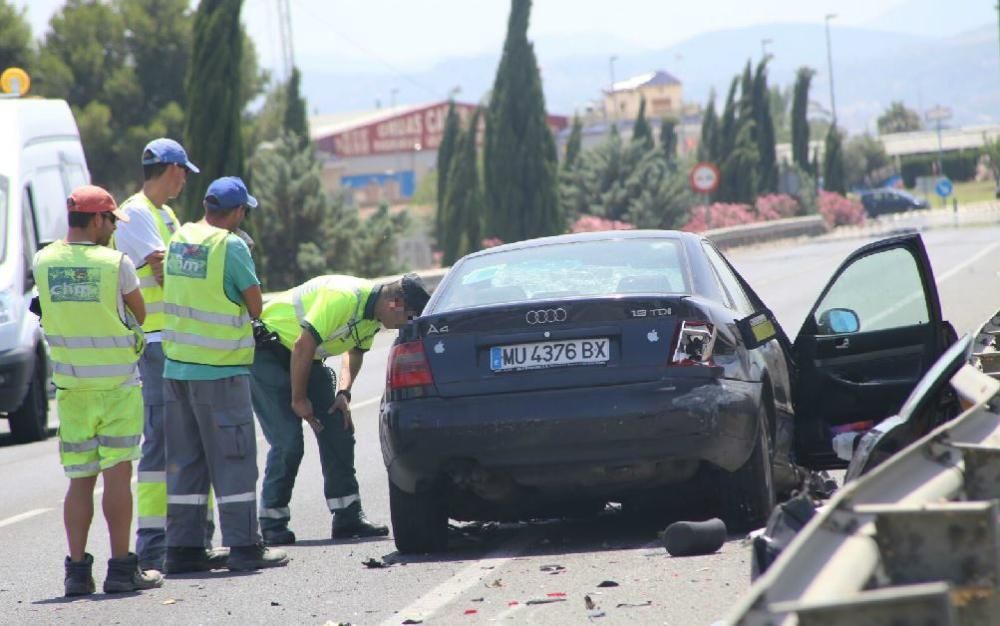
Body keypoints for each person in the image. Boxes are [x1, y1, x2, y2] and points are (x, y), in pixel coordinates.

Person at [33, 185, 163, 596]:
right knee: (118, 476)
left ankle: (75, 572)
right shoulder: (115, 263)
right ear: (95, 220)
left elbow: (42, 307)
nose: (114, 229)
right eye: (111, 221)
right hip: (117, 388)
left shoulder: (43, 261)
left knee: (79, 480)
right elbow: (139, 314)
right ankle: (122, 569)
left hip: (71, 389)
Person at [161, 177, 288, 572]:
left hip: (176, 368)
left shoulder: (181, 237)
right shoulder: (230, 245)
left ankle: (184, 550)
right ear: (235, 212)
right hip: (219, 370)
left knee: (186, 461)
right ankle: (244, 546)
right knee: (234, 459)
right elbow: (255, 306)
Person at [250, 273, 430, 544]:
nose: (405, 325)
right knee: (288, 441)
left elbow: (355, 352)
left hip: (307, 359)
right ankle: (272, 521)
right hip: (268, 353)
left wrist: (343, 393)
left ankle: (348, 515)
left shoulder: (374, 316)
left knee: (338, 426)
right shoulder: (343, 296)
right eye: (410, 317)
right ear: (396, 303)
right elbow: (303, 343)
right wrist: (299, 400)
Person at [112, 137, 221, 573]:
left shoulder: (167, 214)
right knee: (159, 443)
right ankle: (154, 544)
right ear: (172, 168)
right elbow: (166, 267)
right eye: (183, 172)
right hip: (156, 342)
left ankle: (190, 540)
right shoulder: (136, 210)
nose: (184, 181)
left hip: (174, 341)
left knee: (188, 440)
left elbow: (178, 263)